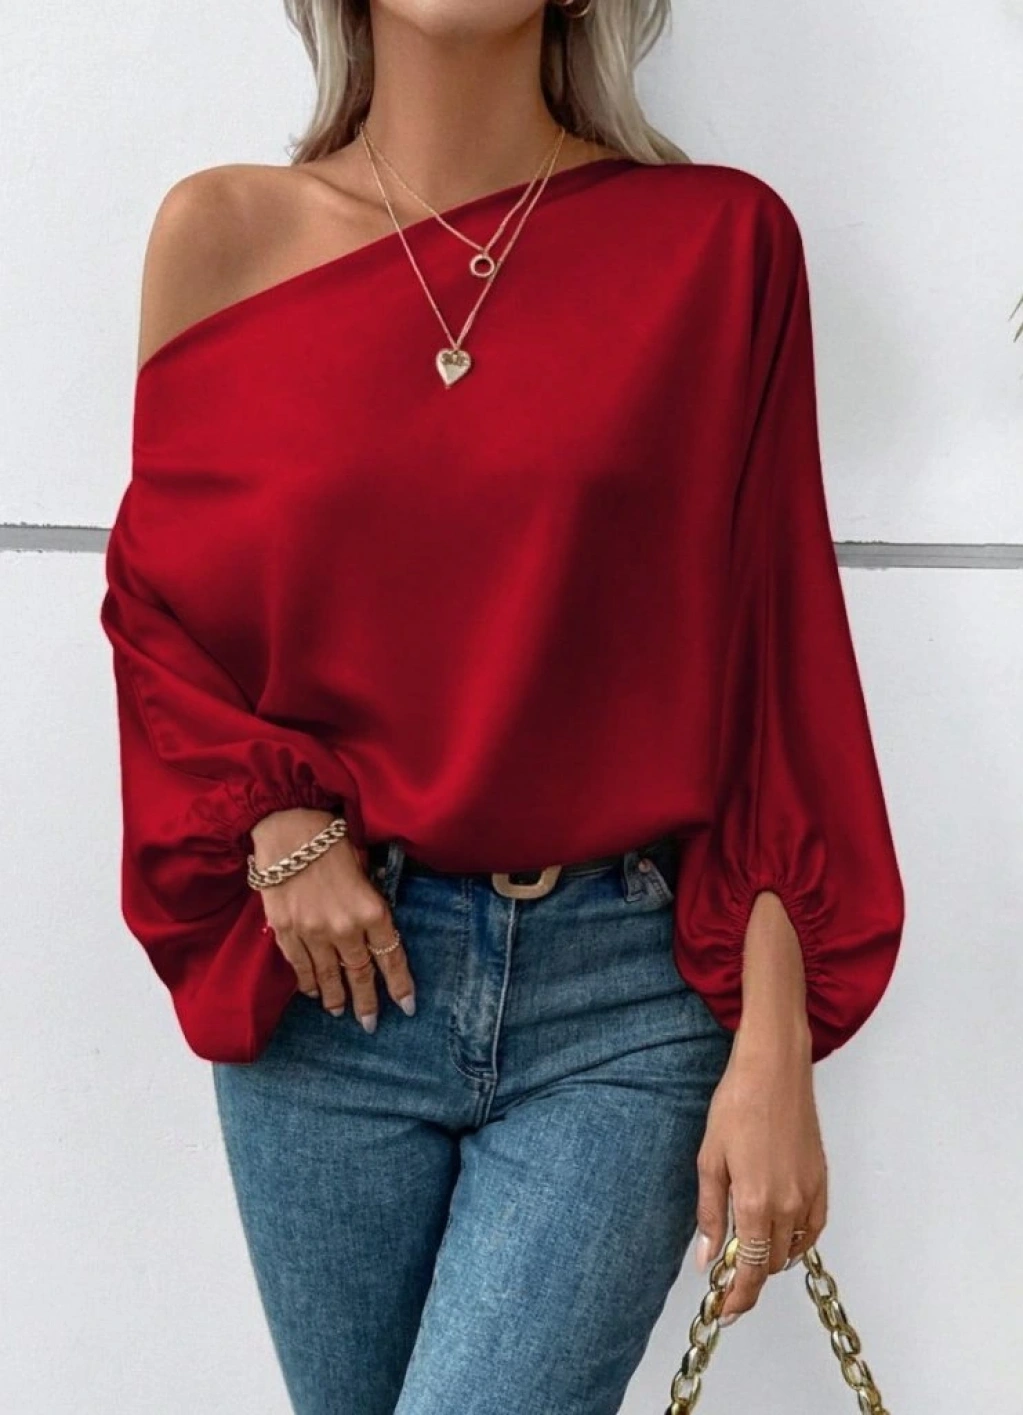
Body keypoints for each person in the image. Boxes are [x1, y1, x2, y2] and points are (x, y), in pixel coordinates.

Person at [98, 1, 905, 1411]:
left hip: (624, 998)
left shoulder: (717, 248)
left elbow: (777, 666)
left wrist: (777, 1044)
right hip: (331, 995)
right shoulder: (219, 238)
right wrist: (275, 819)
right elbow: (163, 613)